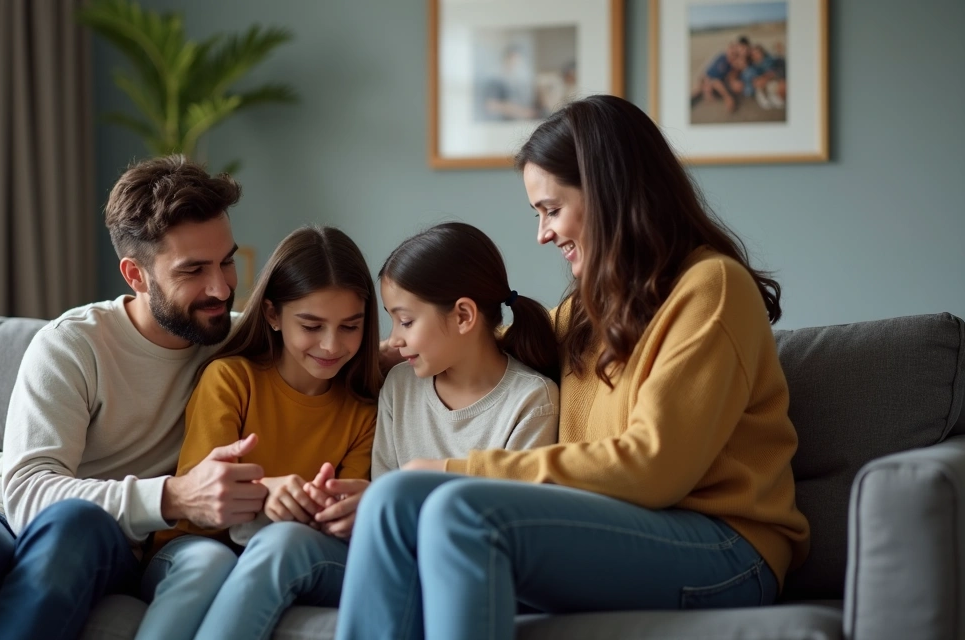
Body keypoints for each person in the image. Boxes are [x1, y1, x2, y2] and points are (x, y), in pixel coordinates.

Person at [334, 95, 811, 640]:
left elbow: (653, 468)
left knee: (459, 511)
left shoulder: (711, 289)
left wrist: (452, 472)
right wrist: (374, 354)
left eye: (551, 210)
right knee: (393, 500)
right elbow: (472, 348)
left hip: (727, 548)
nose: (542, 234)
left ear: (610, 195)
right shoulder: (588, 310)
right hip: (629, 531)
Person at [0, 156, 270, 640]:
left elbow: (323, 341)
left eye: (227, 261)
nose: (221, 287)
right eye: (193, 270)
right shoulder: (74, 343)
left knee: (77, 524)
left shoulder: (238, 338)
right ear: (135, 275)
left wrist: (377, 353)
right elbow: (27, 494)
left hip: (93, 540)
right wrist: (175, 495)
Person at [192, 221, 561, 640]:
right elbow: (379, 499)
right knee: (283, 544)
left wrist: (388, 503)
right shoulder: (400, 386)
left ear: (463, 316)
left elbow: (513, 524)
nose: (394, 340)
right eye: (389, 321)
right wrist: (349, 510)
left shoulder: (532, 401)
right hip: (383, 553)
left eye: (404, 322)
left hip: (464, 565)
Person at [134, 225, 383, 640]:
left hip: (289, 546)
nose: (330, 345)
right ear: (272, 314)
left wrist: (330, 508)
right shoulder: (231, 379)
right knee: (211, 562)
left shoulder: (364, 413)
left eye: (350, 327)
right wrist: (267, 490)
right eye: (312, 325)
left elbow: (338, 519)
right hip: (191, 547)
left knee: (283, 541)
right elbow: (201, 494)